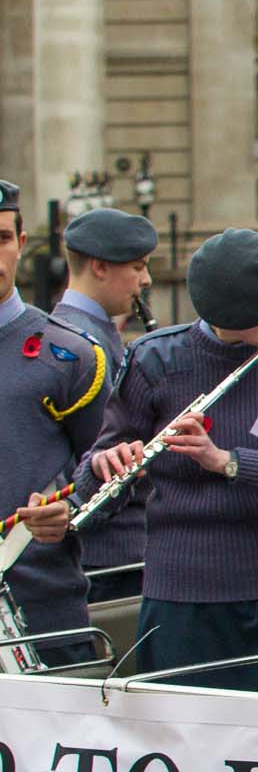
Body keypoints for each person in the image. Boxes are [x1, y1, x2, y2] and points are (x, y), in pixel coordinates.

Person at [73, 229, 258, 691]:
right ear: (224, 316)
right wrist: (106, 466)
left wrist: (228, 462)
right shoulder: (155, 360)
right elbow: (91, 495)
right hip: (182, 597)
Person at [1, 180, 109, 667]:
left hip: (43, 610)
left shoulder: (70, 355)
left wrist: (73, 509)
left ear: (21, 245)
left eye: (1, 238)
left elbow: (114, 470)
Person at [51, 206, 156, 601]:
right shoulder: (85, 346)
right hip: (109, 551)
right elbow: (104, 453)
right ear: (99, 267)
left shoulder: (76, 334)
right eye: (137, 267)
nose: (145, 280)